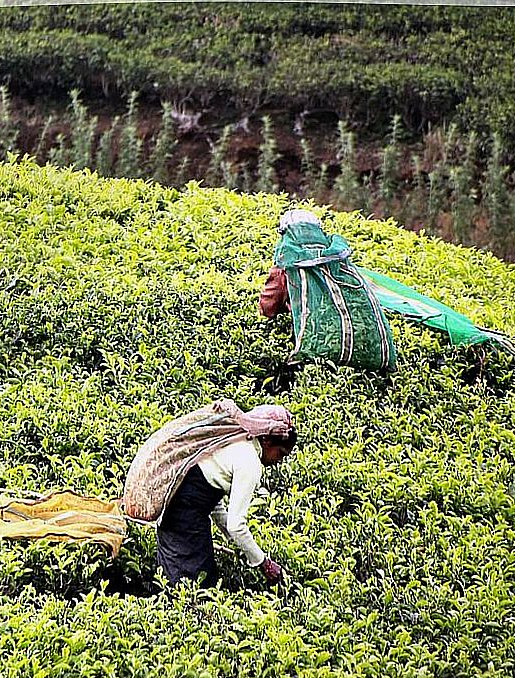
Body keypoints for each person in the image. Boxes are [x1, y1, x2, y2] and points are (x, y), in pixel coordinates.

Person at [122, 399, 296, 588]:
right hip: (184, 511)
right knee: (195, 582)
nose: (279, 461)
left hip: (175, 503)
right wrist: (264, 563)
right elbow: (236, 525)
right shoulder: (250, 463)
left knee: (177, 573)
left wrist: (236, 542)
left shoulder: (234, 441)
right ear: (267, 440)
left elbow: (211, 499)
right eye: (281, 453)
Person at [259, 209, 397, 371]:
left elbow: (267, 308)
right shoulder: (339, 260)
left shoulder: (286, 267)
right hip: (364, 344)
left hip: (322, 351)